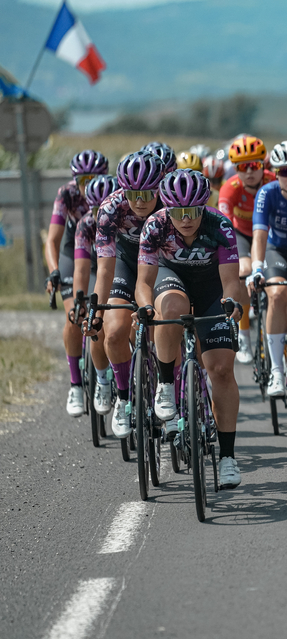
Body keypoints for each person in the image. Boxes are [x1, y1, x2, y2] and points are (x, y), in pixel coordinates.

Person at [134, 169, 244, 488]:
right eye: (178, 213)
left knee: (222, 370)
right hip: (172, 280)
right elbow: (143, 282)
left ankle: (227, 458)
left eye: (192, 212)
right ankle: (166, 383)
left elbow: (230, 283)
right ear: (167, 209)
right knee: (170, 308)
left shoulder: (220, 224)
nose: (186, 219)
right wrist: (145, 307)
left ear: (203, 207)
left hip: (211, 288)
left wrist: (230, 304)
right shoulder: (155, 226)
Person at [91, 152, 165, 438]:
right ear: (123, 189)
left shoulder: (171, 205)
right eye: (133, 193)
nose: (141, 200)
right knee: (114, 332)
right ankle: (123, 398)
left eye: (148, 192)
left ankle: (176, 389)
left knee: (170, 321)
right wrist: (97, 313)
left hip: (163, 263)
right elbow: (104, 271)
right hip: (125, 264)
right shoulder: (111, 209)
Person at [45, 150, 109, 416]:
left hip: (105, 252)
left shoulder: (113, 191)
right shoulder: (67, 194)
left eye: (93, 178)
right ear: (75, 180)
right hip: (75, 249)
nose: (88, 185)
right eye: (83, 179)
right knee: (76, 315)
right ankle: (75, 384)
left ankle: (106, 375)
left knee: (101, 314)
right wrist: (54, 271)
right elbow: (52, 240)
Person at [249, 140, 287, 397]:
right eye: (285, 171)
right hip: (278, 252)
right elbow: (259, 235)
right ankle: (276, 370)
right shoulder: (267, 193)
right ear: (275, 173)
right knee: (276, 294)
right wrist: (256, 268)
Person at [218, 136, 275, 364]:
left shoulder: (273, 181)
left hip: (268, 233)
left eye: (255, 165)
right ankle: (244, 334)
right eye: (243, 167)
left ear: (263, 165)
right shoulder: (229, 188)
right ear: (235, 169)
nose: (249, 172)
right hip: (240, 233)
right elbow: (225, 226)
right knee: (243, 270)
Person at [71, 174, 117, 416]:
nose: (104, 212)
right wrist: (80, 300)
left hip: (121, 268)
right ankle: (102, 380)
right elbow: (80, 268)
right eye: (98, 208)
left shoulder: (126, 219)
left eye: (107, 206)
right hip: (94, 268)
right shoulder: (86, 224)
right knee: (95, 323)